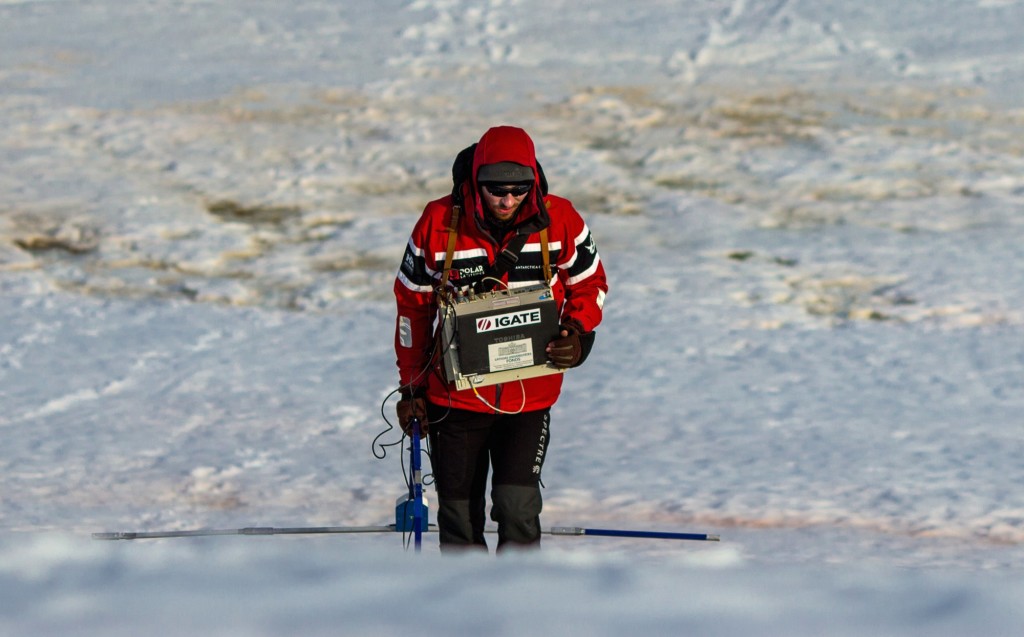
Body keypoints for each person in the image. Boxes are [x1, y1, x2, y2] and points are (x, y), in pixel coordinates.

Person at [393, 125, 608, 552]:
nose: (507, 201)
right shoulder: (438, 223)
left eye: (518, 190)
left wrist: (579, 333)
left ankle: (522, 608)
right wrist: (410, 386)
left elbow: (590, 282)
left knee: (517, 508)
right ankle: (466, 611)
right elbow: (412, 308)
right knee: (457, 516)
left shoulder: (561, 219)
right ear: (475, 181)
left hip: (529, 397)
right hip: (453, 400)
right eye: (496, 190)